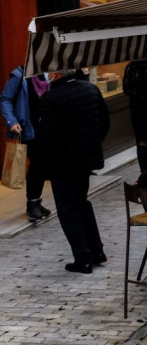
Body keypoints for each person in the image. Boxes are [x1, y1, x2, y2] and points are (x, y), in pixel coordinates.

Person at [35, 70, 109, 274]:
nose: (47, 75)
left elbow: (45, 137)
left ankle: (83, 257)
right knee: (81, 203)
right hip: (86, 161)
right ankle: (96, 251)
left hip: (63, 164)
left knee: (68, 210)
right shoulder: (91, 89)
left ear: (57, 73)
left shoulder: (51, 98)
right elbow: (104, 123)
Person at [0, 66, 51, 221]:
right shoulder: (19, 75)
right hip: (28, 128)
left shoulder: (50, 74)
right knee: (37, 165)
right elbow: (5, 98)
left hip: (48, 128)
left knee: (43, 165)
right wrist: (12, 122)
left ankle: (36, 201)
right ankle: (32, 204)